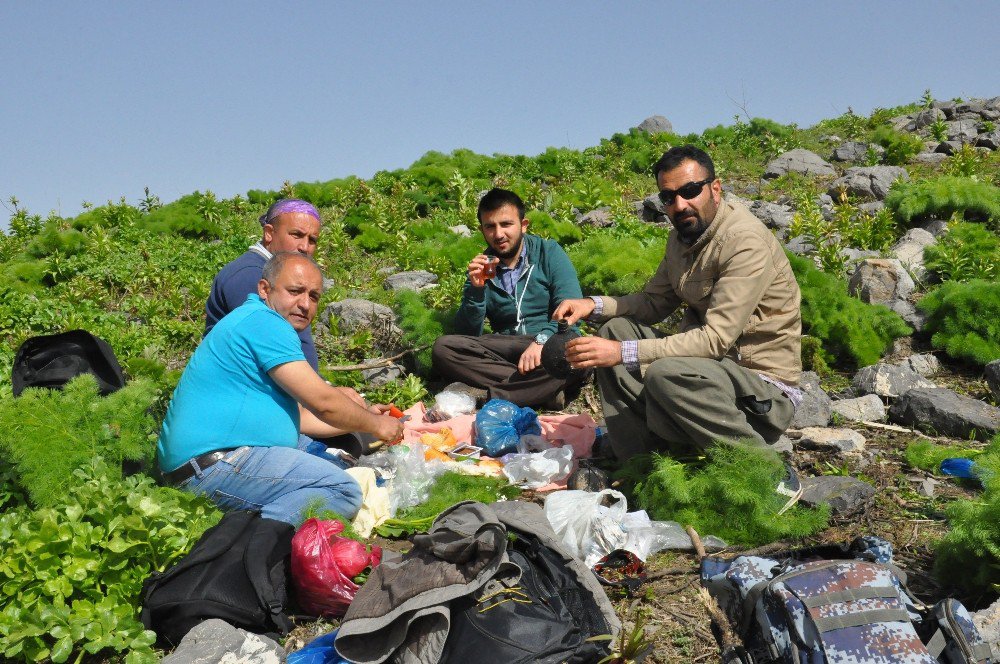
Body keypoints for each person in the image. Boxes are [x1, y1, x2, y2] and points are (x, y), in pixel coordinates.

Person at [554, 145, 803, 462]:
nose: (680, 205)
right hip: (706, 374)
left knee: (664, 372)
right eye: (668, 197)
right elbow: (654, 302)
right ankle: (642, 464)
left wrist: (621, 354)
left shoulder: (744, 241)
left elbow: (716, 340)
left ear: (715, 188)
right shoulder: (682, 237)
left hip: (761, 391)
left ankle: (762, 470)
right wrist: (593, 304)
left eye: (689, 191)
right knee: (616, 330)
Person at [158, 252, 403, 524]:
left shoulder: (252, 319)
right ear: (265, 289)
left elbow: (306, 418)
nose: (305, 304)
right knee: (342, 490)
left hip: (204, 463)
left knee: (330, 452)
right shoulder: (265, 322)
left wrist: (365, 416)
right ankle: (253, 544)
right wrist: (377, 425)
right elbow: (323, 403)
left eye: (313, 296)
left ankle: (256, 523)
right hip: (215, 466)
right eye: (295, 291)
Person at [432, 188, 585, 410]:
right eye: (490, 226)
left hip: (550, 342)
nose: (499, 234)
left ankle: (486, 396)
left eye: (506, 224)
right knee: (444, 348)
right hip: (507, 347)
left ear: (523, 225)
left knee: (574, 355)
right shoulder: (482, 267)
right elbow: (468, 335)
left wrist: (542, 341)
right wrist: (475, 290)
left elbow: (572, 311)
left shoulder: (548, 252)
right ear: (481, 230)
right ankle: (540, 391)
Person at [206, 198, 322, 369]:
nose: (304, 246)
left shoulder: (279, 272)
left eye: (312, 240)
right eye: (296, 235)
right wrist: (319, 390)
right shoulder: (249, 274)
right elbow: (273, 345)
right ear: (269, 233)